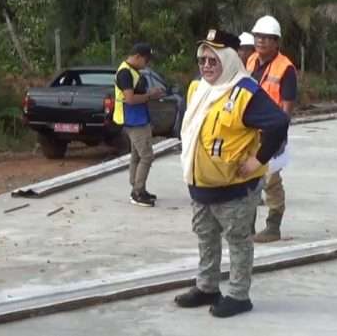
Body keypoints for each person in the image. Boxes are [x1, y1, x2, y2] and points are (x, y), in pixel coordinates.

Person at [174, 29, 289, 318]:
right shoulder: (197, 89)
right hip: (201, 186)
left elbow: (277, 123)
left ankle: (239, 295)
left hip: (235, 189)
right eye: (202, 60)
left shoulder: (245, 92)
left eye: (214, 61)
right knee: (205, 237)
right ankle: (207, 286)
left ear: (228, 60)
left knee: (238, 240)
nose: (207, 66)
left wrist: (257, 160)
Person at [245, 15, 297, 243]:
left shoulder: (285, 68)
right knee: (247, 179)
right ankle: (246, 227)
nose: (261, 41)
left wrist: (279, 137)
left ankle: (273, 227)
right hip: (249, 132)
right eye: (258, 37)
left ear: (277, 42)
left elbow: (287, 106)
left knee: (271, 180)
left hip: (271, 133)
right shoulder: (251, 61)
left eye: (267, 38)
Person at [113, 43, 165, 207]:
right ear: (137, 57)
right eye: (146, 60)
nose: (147, 64)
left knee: (137, 155)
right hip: (133, 120)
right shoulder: (125, 73)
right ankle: (137, 192)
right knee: (147, 156)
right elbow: (130, 99)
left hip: (139, 119)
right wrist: (150, 95)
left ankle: (138, 188)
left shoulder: (132, 71)